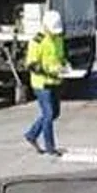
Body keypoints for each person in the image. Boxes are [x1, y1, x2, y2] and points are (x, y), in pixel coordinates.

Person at [23, 10, 69, 157]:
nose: (55, 33)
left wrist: (65, 66)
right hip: (42, 84)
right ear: (45, 26)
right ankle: (50, 147)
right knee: (48, 114)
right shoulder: (37, 41)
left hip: (56, 81)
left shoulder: (59, 38)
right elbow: (31, 64)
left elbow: (61, 57)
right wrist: (47, 71)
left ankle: (31, 134)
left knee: (55, 113)